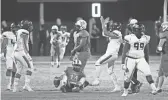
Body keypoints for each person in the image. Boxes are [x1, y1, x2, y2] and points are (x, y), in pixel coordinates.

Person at [121, 23, 157, 96]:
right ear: (135, 31)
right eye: (140, 30)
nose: (142, 31)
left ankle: (154, 89)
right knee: (128, 77)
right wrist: (122, 63)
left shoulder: (145, 38)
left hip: (141, 59)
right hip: (131, 59)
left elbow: (146, 52)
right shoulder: (130, 38)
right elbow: (124, 51)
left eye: (142, 29)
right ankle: (125, 91)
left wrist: (147, 62)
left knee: (148, 72)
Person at [91, 16, 122, 92]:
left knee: (98, 63)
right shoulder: (117, 33)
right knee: (110, 71)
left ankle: (97, 80)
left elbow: (105, 32)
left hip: (111, 54)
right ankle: (117, 86)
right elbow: (104, 33)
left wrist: (103, 22)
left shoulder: (117, 33)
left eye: (112, 26)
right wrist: (104, 24)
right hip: (113, 54)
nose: (111, 27)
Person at [12, 20, 35, 92]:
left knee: (19, 69)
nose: (31, 27)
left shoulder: (19, 31)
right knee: (30, 67)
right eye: (30, 25)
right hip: (21, 52)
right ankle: (26, 85)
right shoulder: (25, 32)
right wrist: (27, 54)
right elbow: (24, 44)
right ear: (27, 26)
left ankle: (14, 87)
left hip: (15, 52)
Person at [1, 23, 18, 90]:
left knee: (15, 70)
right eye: (15, 28)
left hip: (15, 53)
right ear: (12, 28)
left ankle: (11, 84)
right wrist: (2, 52)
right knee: (9, 69)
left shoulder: (18, 34)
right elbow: (4, 43)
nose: (16, 29)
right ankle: (8, 85)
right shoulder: (8, 34)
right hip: (9, 52)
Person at [155, 22, 168, 93]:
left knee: (164, 72)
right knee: (161, 72)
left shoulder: (164, 34)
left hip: (165, 55)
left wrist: (158, 49)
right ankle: (158, 88)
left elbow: (160, 47)